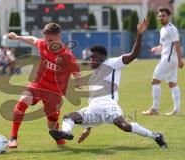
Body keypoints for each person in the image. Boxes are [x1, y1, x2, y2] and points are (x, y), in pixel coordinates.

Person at [49, 19, 167, 149]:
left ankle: (156, 136)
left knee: (125, 126)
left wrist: (139, 35)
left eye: (94, 57)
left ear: (103, 57)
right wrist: (88, 129)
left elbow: (133, 55)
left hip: (108, 105)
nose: (91, 60)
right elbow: (94, 101)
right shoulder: (93, 76)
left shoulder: (112, 63)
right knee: (69, 117)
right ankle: (67, 133)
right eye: (90, 57)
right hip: (93, 109)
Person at [7, 23, 82, 148]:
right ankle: (13, 137)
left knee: (52, 126)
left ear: (58, 36)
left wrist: (78, 81)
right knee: (24, 99)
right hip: (39, 85)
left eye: (50, 40)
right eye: (46, 40)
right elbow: (34, 40)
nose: (47, 43)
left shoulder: (67, 55)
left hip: (55, 93)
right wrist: (18, 37)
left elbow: (76, 71)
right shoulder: (43, 45)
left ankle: (60, 141)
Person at [142, 7, 184, 116]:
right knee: (172, 83)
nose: (161, 18)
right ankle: (177, 110)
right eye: (159, 16)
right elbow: (163, 46)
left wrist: (180, 60)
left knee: (155, 81)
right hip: (169, 60)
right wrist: (156, 49)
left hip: (169, 60)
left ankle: (154, 109)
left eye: (163, 16)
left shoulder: (171, 28)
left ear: (168, 16)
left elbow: (177, 44)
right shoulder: (162, 29)